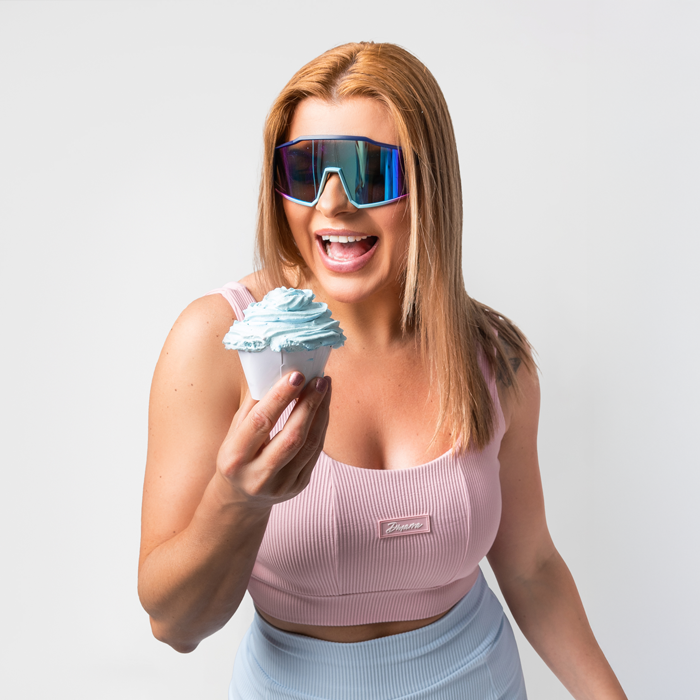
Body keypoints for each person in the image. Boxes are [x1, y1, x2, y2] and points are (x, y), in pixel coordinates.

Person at [138, 42, 628, 700]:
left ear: (430, 184)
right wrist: (239, 500)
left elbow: (532, 566)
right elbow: (173, 624)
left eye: (369, 172)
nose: (332, 203)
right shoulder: (224, 341)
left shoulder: (493, 358)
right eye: (305, 169)